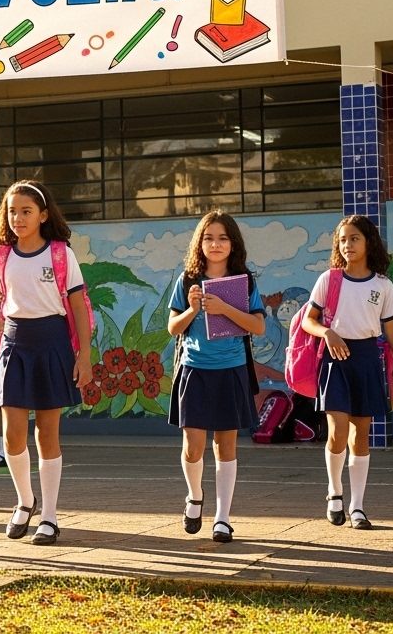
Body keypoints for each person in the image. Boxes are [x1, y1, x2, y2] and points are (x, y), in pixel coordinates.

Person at [0, 180, 93, 547]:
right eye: (11, 211)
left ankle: (49, 516)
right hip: (14, 344)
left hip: (52, 342)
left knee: (47, 433)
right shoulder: (0, 255)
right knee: (12, 433)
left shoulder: (61, 254)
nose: (17, 218)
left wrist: (84, 355)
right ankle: (24, 501)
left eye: (26, 211)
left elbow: (78, 306)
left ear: (43, 215)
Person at [301, 215, 393, 531]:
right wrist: (327, 333)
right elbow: (308, 320)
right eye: (342, 240)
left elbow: (392, 330)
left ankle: (357, 506)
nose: (347, 244)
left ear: (368, 242)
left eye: (354, 238)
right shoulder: (329, 279)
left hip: (367, 359)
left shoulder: (382, 285)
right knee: (337, 430)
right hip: (335, 359)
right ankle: (335, 492)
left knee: (360, 435)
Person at [167, 212, 266, 543]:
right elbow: (173, 328)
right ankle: (195, 497)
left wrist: (224, 308)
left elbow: (258, 326)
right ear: (200, 243)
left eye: (223, 238)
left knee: (225, 446)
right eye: (208, 238)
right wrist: (193, 309)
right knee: (193, 447)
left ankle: (223, 518)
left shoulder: (244, 281)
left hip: (231, 370)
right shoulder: (187, 281)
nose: (216, 244)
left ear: (233, 243)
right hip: (194, 370)